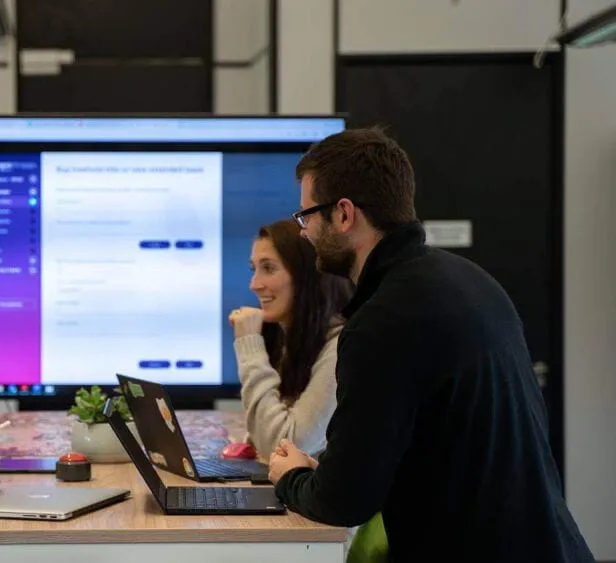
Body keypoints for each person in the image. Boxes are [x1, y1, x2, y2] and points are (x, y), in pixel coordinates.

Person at [267, 128, 594, 562]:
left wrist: (289, 479)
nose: (304, 233)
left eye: (306, 216)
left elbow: (345, 502)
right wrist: (321, 476)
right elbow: (430, 443)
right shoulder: (469, 280)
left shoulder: (384, 320)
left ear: (344, 214)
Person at [228, 219, 352, 457]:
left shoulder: (340, 349)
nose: (254, 285)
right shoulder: (292, 338)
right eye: (254, 269)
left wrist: (249, 347)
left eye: (269, 268)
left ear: (307, 274)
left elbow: (285, 446)